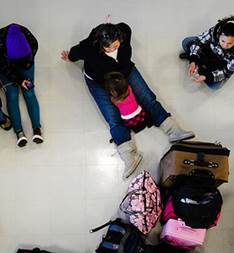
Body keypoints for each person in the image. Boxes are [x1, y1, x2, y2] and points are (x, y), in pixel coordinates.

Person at [61, 22, 195, 178]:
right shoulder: (88, 47)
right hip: (101, 81)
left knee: (147, 97)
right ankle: (129, 155)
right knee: (112, 116)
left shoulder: (125, 31)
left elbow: (124, 33)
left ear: (120, 38)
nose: (112, 49)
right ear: (100, 44)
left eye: (115, 45)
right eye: (107, 48)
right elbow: (73, 54)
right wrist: (69, 57)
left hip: (126, 71)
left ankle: (173, 130)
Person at [0, 23, 43, 147]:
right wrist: (19, 80)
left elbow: (30, 60)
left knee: (29, 92)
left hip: (25, 63)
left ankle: (37, 129)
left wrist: (25, 77)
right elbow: (0, 65)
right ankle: (19, 132)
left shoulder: (31, 41)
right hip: (6, 66)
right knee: (12, 95)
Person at [179, 16, 234, 89]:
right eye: (223, 41)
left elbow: (226, 72)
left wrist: (206, 77)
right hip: (209, 51)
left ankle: (203, 66)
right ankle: (198, 62)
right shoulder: (215, 31)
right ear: (219, 35)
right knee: (186, 42)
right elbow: (199, 42)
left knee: (214, 86)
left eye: (229, 43)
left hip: (220, 62)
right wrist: (193, 60)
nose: (225, 45)